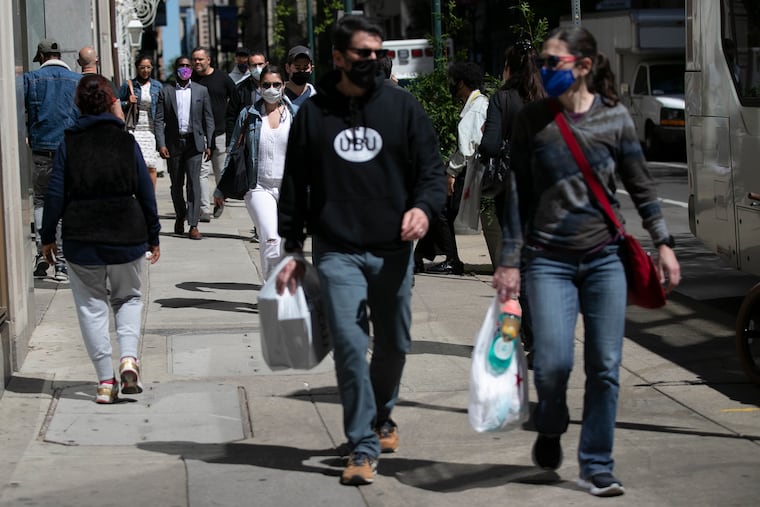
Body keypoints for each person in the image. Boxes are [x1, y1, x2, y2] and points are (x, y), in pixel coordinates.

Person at [492, 25, 681, 497]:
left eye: (553, 62)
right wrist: (510, 262)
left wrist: (663, 242)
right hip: (547, 261)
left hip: (604, 260)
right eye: (542, 62)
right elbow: (515, 195)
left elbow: (640, 185)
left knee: (605, 366)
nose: (544, 70)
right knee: (553, 362)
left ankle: (597, 463)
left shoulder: (614, 119)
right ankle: (551, 421)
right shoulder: (531, 119)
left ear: (582, 66)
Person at [276, 16, 446, 486]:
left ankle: (381, 414)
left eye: (378, 53)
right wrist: (291, 247)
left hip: (394, 250)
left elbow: (431, 173)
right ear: (338, 58)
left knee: (394, 343)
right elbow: (295, 185)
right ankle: (363, 444)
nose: (373, 60)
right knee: (350, 346)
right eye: (362, 53)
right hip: (338, 250)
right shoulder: (315, 113)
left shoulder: (403, 108)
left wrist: (424, 210)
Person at [39, 74, 160, 404]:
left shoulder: (69, 143)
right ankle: (129, 359)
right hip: (127, 233)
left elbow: (55, 194)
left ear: (78, 104)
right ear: (111, 102)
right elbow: (145, 190)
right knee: (129, 298)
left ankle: (106, 381)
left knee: (91, 309)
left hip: (82, 237)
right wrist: (154, 235)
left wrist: (47, 236)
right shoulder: (126, 141)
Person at [479, 41, 545, 364]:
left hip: (513, 193)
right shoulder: (546, 97)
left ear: (510, 68)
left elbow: (490, 147)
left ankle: (535, 340)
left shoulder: (502, 99)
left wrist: (487, 136)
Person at [214, 66, 298, 279]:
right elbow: (234, 151)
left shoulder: (294, 115)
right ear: (259, 87)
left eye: (276, 85)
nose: (271, 89)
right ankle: (273, 289)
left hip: (289, 188)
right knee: (271, 237)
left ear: (284, 86)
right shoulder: (249, 115)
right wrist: (221, 188)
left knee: (285, 244)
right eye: (266, 85)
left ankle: (280, 283)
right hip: (258, 186)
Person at [415, 61, 488, 275]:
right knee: (440, 210)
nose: (452, 86)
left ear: (463, 83)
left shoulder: (474, 110)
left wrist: (451, 172)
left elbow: (467, 149)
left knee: (440, 211)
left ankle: (451, 259)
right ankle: (419, 257)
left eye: (454, 82)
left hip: (466, 171)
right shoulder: (479, 104)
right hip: (470, 169)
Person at [23, 38, 81, 282]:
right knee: (65, 205)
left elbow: (21, 111)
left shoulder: (30, 79)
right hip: (69, 149)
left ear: (42, 57)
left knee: (41, 202)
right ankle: (62, 266)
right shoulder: (78, 81)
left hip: (41, 149)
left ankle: (41, 254)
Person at [155, 55, 215, 240]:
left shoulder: (201, 91)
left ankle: (193, 224)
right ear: (176, 68)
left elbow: (208, 119)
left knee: (194, 184)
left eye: (188, 66)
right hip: (174, 144)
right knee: (176, 185)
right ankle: (180, 214)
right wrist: (161, 143)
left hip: (194, 143)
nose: (185, 68)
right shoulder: (166, 91)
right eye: (181, 65)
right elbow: (158, 120)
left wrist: (209, 143)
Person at [191, 47, 236, 221]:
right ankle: (204, 209)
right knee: (201, 172)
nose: (197, 63)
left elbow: (235, 98)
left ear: (208, 60)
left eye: (200, 59)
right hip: (199, 133)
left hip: (219, 132)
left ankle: (219, 201)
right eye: (195, 59)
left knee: (220, 172)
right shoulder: (191, 80)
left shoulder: (222, 78)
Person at [118, 54, 163, 190]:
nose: (145, 70)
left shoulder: (157, 86)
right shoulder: (129, 85)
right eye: (142, 67)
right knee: (136, 164)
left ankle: (150, 197)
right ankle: (137, 195)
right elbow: (116, 104)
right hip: (134, 128)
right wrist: (127, 102)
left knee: (151, 166)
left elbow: (161, 110)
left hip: (150, 129)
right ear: (137, 68)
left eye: (148, 67)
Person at [77, 46, 124, 120]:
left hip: (80, 127)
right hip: (103, 127)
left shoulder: (75, 83)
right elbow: (118, 114)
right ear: (97, 60)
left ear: (79, 62)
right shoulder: (106, 84)